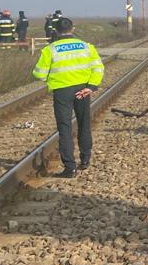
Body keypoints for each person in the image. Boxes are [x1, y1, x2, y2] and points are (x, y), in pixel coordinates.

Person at [32, 17, 104, 178]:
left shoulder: (50, 50)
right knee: (84, 124)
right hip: (83, 90)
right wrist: (91, 86)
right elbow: (98, 68)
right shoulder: (86, 46)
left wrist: (51, 78)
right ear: (73, 29)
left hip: (62, 91)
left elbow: (38, 73)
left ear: (56, 31)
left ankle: (70, 167)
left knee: (65, 128)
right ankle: (85, 160)